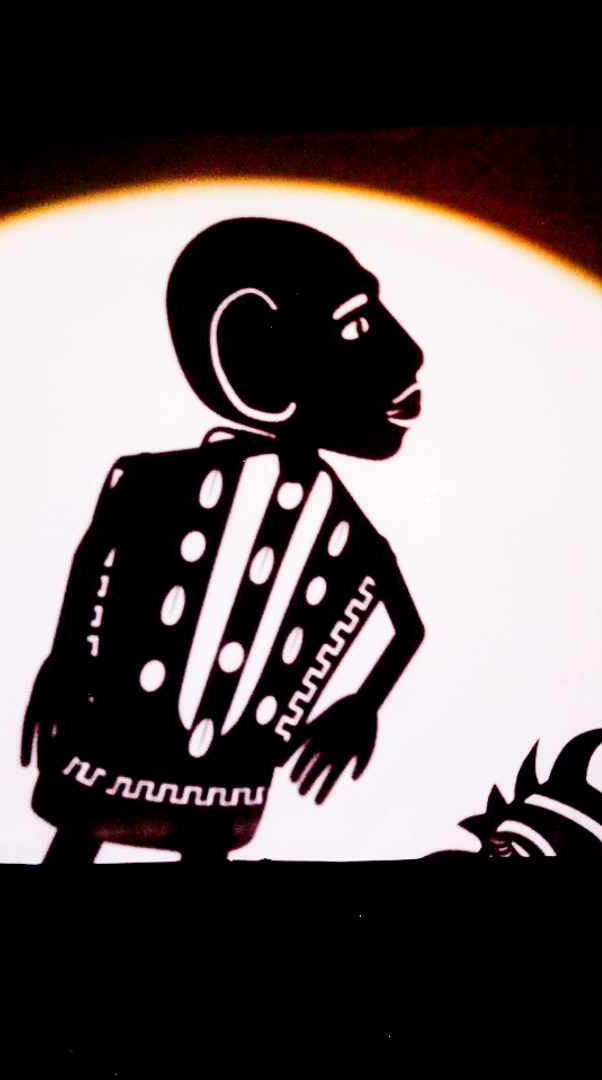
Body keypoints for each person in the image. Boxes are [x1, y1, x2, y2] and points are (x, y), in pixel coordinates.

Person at [21, 218, 425, 863]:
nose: (410, 354)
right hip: (107, 756)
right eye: (355, 326)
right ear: (254, 359)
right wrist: (67, 667)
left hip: (228, 780)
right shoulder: (148, 482)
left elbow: (407, 625)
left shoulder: (343, 526)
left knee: (194, 857)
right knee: (80, 839)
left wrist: (361, 705)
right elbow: (96, 567)